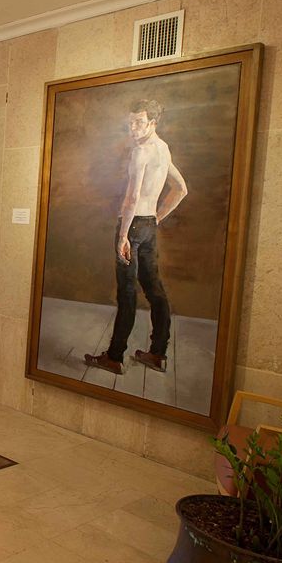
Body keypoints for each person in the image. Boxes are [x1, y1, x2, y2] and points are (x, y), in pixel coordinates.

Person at [85, 99, 188, 375]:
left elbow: (132, 198)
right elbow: (180, 189)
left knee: (128, 293)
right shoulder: (163, 149)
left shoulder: (140, 152)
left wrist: (123, 235)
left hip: (132, 226)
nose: (133, 127)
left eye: (139, 122)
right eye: (130, 122)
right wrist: (156, 218)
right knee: (154, 289)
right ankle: (158, 354)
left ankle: (114, 357)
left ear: (152, 123)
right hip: (148, 225)